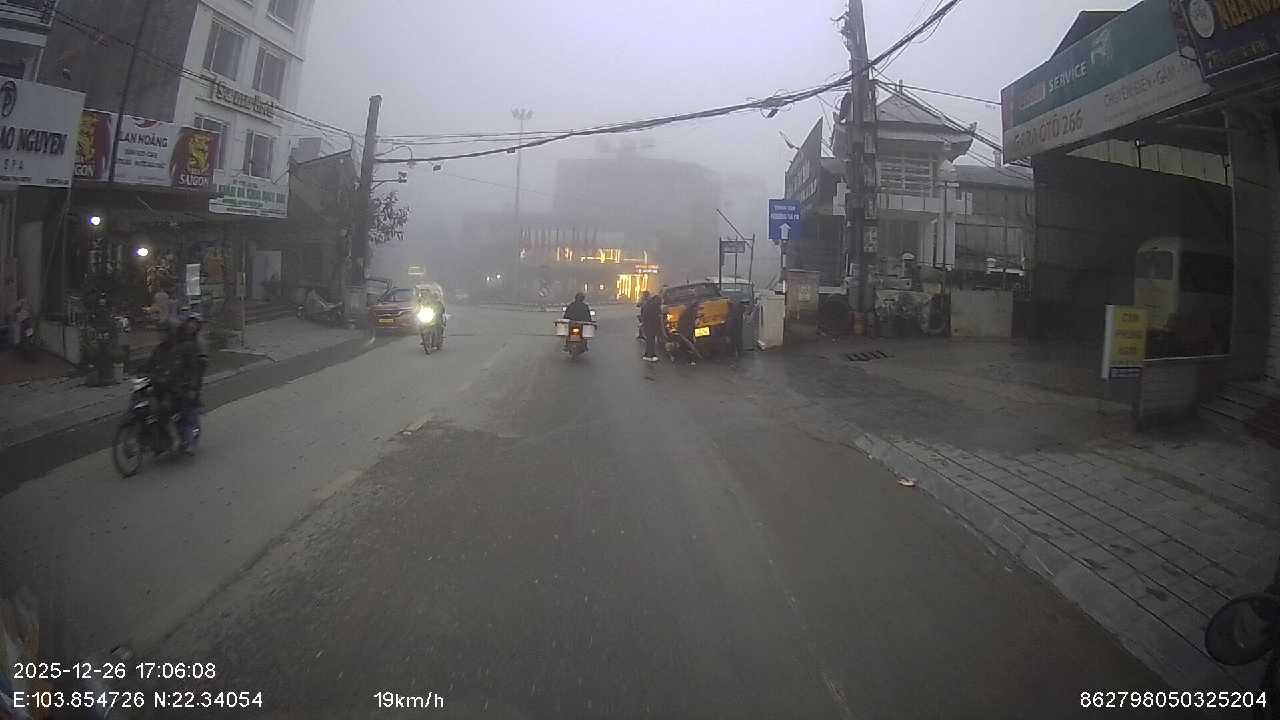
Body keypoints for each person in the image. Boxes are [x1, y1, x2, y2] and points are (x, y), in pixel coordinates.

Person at [640, 293, 664, 362]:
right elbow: (656, 317)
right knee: (651, 341)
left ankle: (647, 355)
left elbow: (644, 315)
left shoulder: (649, 305)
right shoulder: (653, 307)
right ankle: (650, 355)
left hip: (648, 326)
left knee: (650, 341)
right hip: (650, 326)